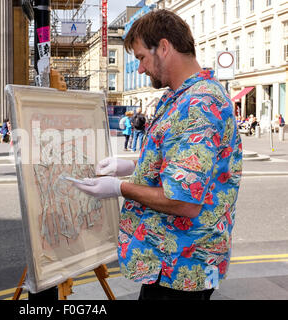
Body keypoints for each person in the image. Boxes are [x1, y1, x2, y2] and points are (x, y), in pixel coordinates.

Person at [72, 9, 243, 301]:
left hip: (182, 267)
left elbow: (183, 200)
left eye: (141, 57)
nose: (140, 69)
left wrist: (118, 188)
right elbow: (180, 161)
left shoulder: (199, 103)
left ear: (163, 48)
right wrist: (129, 166)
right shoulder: (180, 96)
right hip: (171, 262)